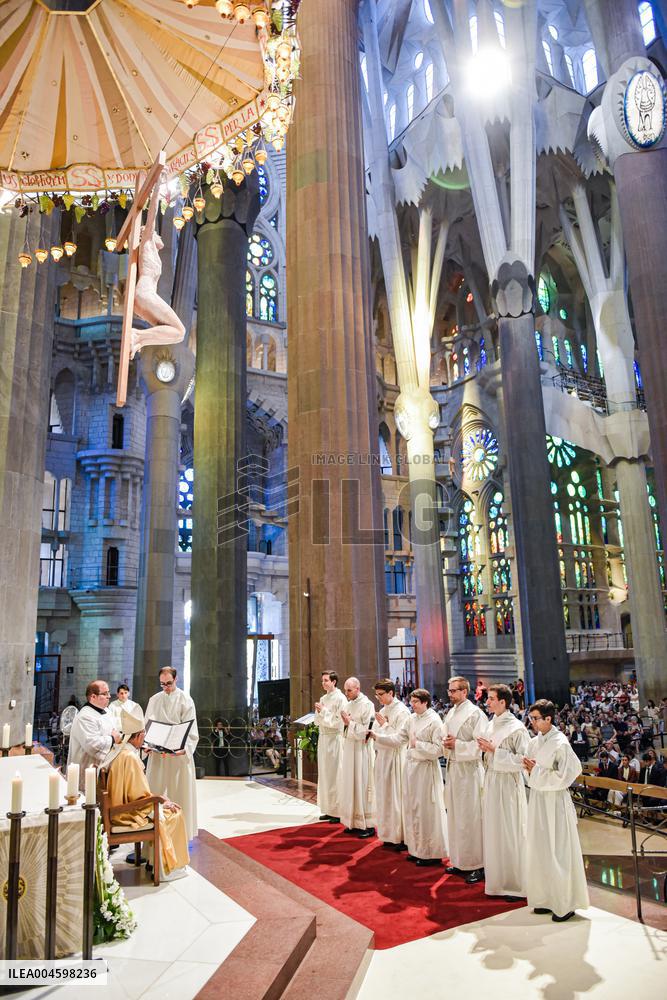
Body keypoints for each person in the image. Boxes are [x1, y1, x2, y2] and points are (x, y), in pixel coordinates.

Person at [102, 706, 189, 881]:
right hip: (127, 813)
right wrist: (161, 801)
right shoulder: (130, 757)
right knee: (174, 814)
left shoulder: (120, 750)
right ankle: (167, 868)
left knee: (166, 807)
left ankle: (153, 861)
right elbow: (139, 797)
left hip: (117, 806)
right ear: (139, 735)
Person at [523, 699, 589, 922]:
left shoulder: (560, 743)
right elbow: (530, 772)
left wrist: (537, 772)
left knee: (558, 850)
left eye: (535, 718)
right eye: (531, 718)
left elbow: (569, 774)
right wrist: (529, 771)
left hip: (555, 802)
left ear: (548, 719)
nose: (532, 722)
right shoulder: (534, 742)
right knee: (541, 848)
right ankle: (545, 898)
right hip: (539, 800)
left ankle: (564, 903)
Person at [477, 683, 530, 899]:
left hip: (508, 784)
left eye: (491, 698)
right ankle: (497, 882)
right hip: (491, 780)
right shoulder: (490, 725)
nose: (487, 702)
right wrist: (484, 752)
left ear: (503, 702)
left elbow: (525, 762)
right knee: (493, 830)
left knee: (510, 831)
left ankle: (515, 884)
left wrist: (494, 751)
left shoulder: (517, 728)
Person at [441, 676, 487, 884]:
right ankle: (459, 860)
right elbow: (446, 739)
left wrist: (456, 745)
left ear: (464, 691)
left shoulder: (475, 714)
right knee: (456, 816)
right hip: (454, 769)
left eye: (453, 691)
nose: (449, 694)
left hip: (469, 771)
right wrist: (447, 744)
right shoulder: (451, 712)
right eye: (449, 690)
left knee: (470, 818)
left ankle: (476, 864)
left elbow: (481, 746)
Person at [130, 191, 185, 359]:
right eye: (156, 233)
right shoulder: (146, 242)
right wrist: (157, 186)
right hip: (145, 295)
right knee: (180, 331)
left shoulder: (149, 250)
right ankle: (137, 336)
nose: (159, 236)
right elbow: (152, 214)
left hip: (142, 299)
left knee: (172, 333)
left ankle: (139, 340)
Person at [145, 667, 199, 841]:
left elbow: (191, 731)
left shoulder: (185, 700)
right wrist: (146, 744)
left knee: (178, 795)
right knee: (156, 792)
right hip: (158, 755)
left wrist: (185, 748)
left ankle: (179, 838)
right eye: (162, 684)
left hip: (178, 757)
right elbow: (147, 726)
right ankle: (154, 837)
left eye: (169, 683)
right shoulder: (154, 699)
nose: (166, 688)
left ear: (176, 679)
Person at [402, 689, 448, 866]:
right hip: (412, 768)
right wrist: (380, 733)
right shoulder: (412, 719)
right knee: (413, 808)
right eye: (411, 701)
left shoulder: (434, 721)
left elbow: (439, 750)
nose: (412, 705)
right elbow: (402, 736)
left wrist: (417, 744)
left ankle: (430, 853)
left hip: (426, 770)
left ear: (425, 702)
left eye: (415, 702)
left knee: (426, 810)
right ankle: (416, 849)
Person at [368, 679, 410, 849]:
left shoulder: (402, 711)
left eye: (381, 694)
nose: (378, 698)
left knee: (396, 797)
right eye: (376, 695)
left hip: (396, 758)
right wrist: (375, 732)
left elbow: (400, 739)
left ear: (391, 693)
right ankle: (387, 834)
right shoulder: (384, 710)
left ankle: (400, 837)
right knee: (384, 796)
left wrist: (383, 726)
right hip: (383, 757)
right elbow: (378, 734)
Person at [338, 677, 376, 837]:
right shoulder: (347, 705)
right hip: (349, 749)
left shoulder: (367, 705)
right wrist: (346, 724)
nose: (346, 693)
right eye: (345, 690)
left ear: (358, 689)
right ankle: (353, 821)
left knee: (362, 783)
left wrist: (350, 724)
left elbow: (367, 731)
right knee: (350, 784)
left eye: (349, 690)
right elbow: (342, 729)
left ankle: (367, 825)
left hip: (362, 750)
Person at [67, 680, 121, 786]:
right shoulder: (85, 716)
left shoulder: (107, 711)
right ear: (93, 697)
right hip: (86, 769)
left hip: (103, 769)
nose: (109, 696)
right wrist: (113, 739)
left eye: (108, 693)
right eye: (105, 694)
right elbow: (92, 744)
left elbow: (116, 731)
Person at [313, 670, 347, 822]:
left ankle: (338, 811)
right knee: (325, 774)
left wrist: (324, 711)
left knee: (335, 775)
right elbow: (317, 720)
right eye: (322, 681)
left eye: (326, 680)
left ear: (334, 682)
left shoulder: (341, 698)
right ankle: (328, 808)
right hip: (324, 739)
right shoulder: (323, 698)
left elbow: (339, 722)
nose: (323, 683)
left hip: (335, 739)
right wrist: (320, 713)